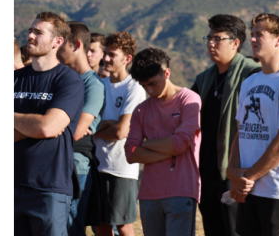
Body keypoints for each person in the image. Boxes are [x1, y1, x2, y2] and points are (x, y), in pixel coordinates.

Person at [226, 13, 279, 236]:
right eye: (251, 35)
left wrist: (247, 178)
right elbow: (240, 131)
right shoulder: (249, 82)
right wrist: (232, 171)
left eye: (259, 35)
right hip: (248, 190)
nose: (252, 40)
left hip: (278, 192)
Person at [14, 12, 85, 236]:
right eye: (30, 30)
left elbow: (49, 127)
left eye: (38, 32)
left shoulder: (68, 80)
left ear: (57, 42)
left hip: (48, 188)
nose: (30, 36)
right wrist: (34, 125)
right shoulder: (14, 79)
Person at [191, 15, 261, 236]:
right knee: (213, 231)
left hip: (233, 170)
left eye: (217, 38)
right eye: (209, 37)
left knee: (235, 231)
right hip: (205, 171)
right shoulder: (203, 79)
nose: (210, 43)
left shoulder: (252, 74)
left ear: (235, 43)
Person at [125, 48, 202, 236]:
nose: (150, 91)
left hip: (182, 190)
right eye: (144, 86)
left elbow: (182, 143)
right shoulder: (140, 110)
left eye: (153, 83)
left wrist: (147, 144)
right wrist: (170, 146)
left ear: (166, 73)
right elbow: (131, 153)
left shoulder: (189, 99)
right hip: (149, 194)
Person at [93, 31, 146, 236]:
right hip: (97, 165)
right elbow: (89, 123)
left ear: (127, 59)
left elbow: (122, 131)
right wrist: (108, 124)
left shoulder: (134, 89)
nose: (105, 58)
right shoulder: (99, 85)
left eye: (112, 54)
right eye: (105, 53)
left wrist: (100, 127)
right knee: (101, 226)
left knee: (123, 226)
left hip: (121, 168)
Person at [57, 22, 106, 236]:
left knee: (72, 225)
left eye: (61, 45)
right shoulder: (62, 79)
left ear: (76, 45)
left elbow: (77, 132)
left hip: (76, 165)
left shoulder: (92, 85)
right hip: (57, 161)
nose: (56, 49)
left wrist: (49, 124)